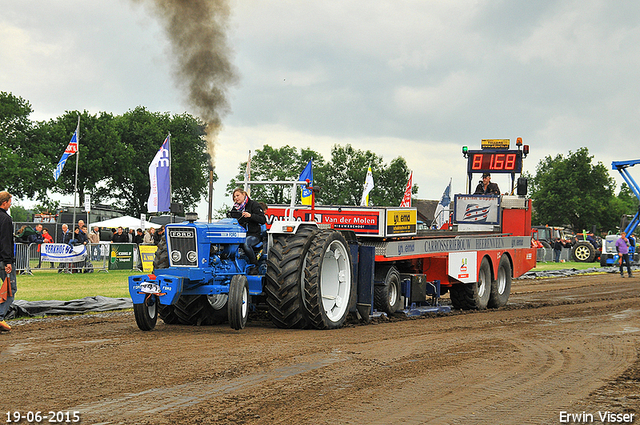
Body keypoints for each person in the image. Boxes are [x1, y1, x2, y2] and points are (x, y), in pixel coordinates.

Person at [228, 188, 266, 266]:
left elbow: (262, 219)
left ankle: (254, 264)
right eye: (234, 197)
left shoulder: (254, 205)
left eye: (238, 195)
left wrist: (250, 216)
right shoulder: (235, 208)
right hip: (239, 234)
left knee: (245, 244)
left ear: (244, 194)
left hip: (253, 234)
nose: (236, 198)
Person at [0, 191, 16, 331]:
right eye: (10, 202)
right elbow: (5, 241)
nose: (10, 204)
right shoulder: (6, 219)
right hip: (3, 260)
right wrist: (8, 262)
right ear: (4, 203)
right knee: (10, 290)